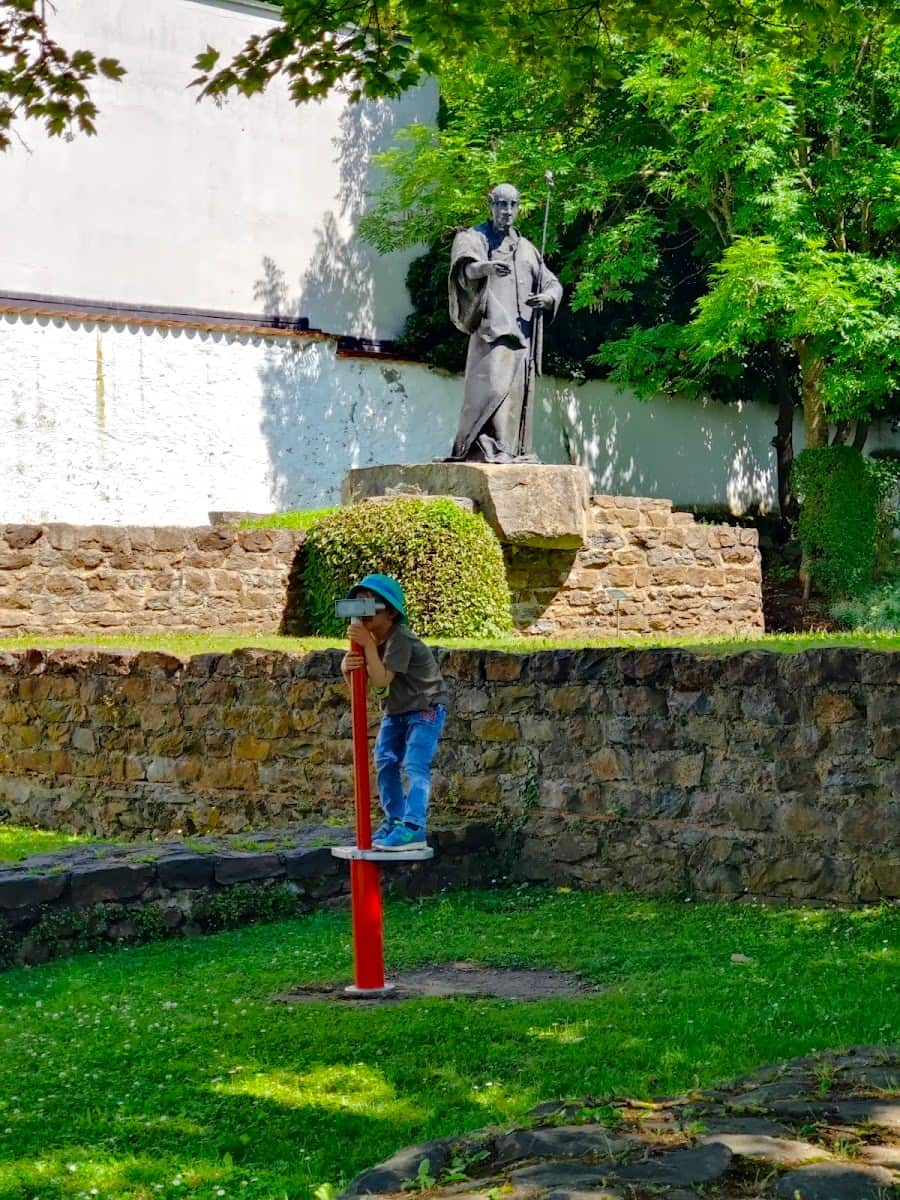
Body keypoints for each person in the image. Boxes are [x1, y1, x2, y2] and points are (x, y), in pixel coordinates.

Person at [447, 182, 563, 464]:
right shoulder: (474, 237)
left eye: (513, 205)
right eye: (501, 204)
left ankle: (509, 450)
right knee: (492, 389)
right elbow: (464, 269)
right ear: (491, 205)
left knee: (515, 394)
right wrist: (485, 268)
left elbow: (553, 283)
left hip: (522, 335)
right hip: (492, 331)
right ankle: (480, 447)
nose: (507, 211)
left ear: (519, 208)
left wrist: (547, 297)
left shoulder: (527, 248)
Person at [340, 574, 448, 851]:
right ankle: (395, 819)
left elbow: (381, 680)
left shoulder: (400, 638)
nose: (363, 614)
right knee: (385, 761)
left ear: (390, 612)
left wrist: (366, 646)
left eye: (371, 606)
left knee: (414, 764)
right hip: (397, 711)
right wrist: (347, 670)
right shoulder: (373, 640)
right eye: (359, 606)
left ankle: (413, 828)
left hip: (425, 708)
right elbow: (364, 690)